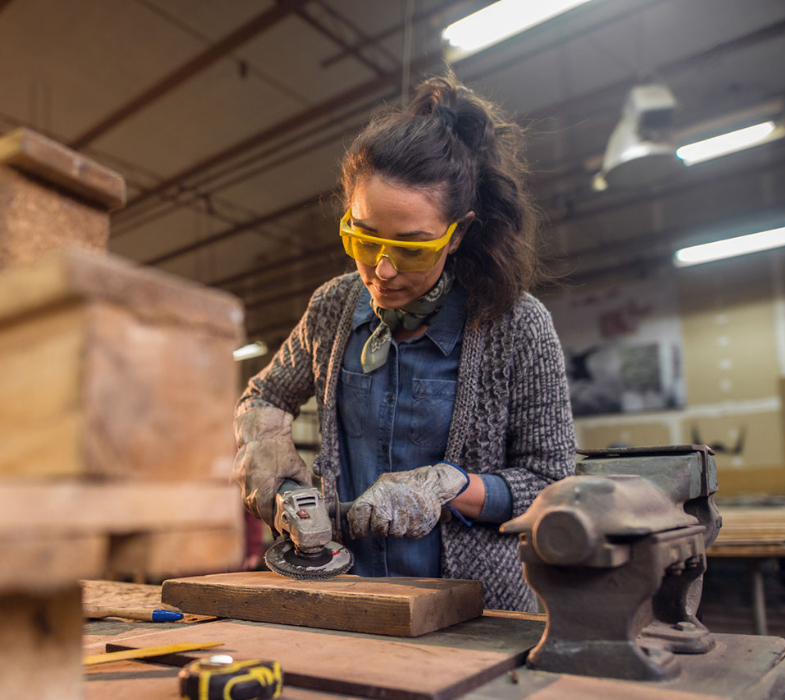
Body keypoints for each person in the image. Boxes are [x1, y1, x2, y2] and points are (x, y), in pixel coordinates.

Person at [233, 72, 575, 611]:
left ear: (457, 233)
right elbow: (265, 395)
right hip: (344, 594)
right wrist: (264, 444)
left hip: (477, 613)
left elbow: (553, 483)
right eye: (364, 239)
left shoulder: (516, 326)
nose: (382, 270)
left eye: (412, 249)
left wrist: (446, 486)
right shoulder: (334, 306)